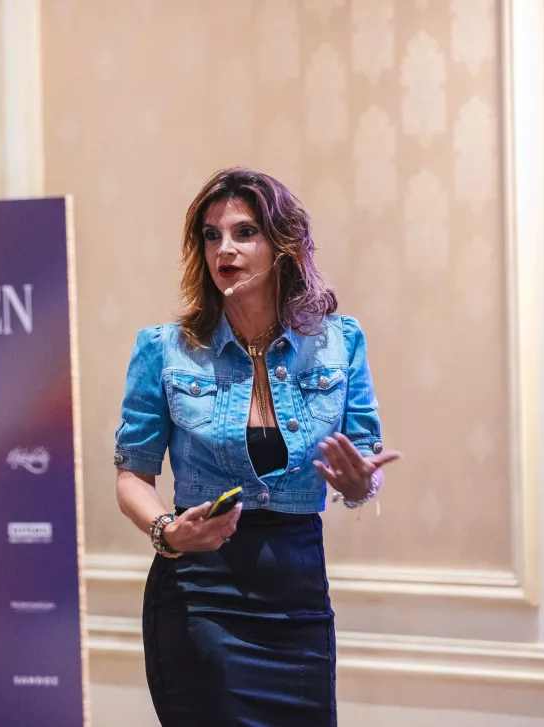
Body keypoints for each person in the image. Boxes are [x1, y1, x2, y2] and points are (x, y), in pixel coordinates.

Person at [113, 167, 402, 725]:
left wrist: (360, 483)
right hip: (200, 592)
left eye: (245, 232)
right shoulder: (164, 350)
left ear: (283, 245)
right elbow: (132, 477)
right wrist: (167, 531)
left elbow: (366, 462)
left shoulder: (339, 343)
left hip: (298, 597)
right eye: (212, 235)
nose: (225, 248)